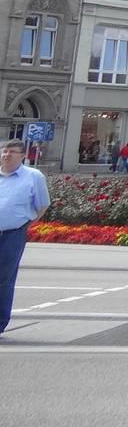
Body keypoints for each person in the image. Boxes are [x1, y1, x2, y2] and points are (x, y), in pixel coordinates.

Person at [0, 138, 51, 333]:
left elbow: (42, 205)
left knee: (4, 279)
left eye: (12, 152)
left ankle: (0, 322)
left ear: (22, 156)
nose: (7, 155)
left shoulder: (33, 176)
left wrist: (23, 224)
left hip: (12, 235)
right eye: (4, 151)